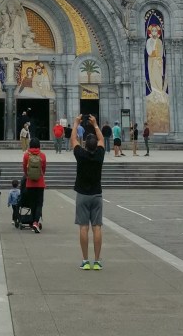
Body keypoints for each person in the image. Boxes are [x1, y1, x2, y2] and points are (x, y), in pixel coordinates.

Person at [71, 113, 106, 270]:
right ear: (96, 145)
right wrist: (95, 124)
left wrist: (76, 123)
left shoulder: (81, 155)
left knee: (83, 227)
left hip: (83, 195)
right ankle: (97, 261)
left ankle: (85, 261)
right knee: (97, 227)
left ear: (85, 144)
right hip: (96, 194)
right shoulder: (100, 155)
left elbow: (73, 140)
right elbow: (102, 140)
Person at [22, 137, 47, 233]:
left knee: (32, 203)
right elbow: (44, 169)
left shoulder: (26, 155)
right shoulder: (42, 155)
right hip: (40, 183)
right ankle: (36, 222)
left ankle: (33, 222)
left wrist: (28, 175)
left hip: (30, 183)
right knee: (39, 203)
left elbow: (24, 168)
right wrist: (40, 175)